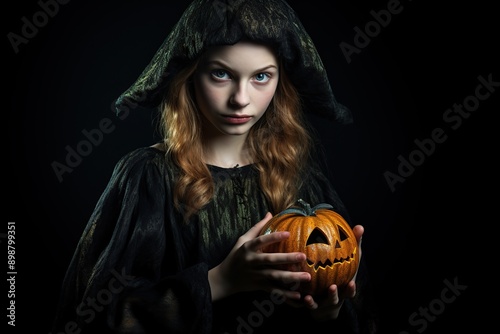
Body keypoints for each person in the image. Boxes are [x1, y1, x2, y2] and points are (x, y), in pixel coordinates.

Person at [51, 0, 378, 333]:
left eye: (261, 77)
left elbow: (361, 316)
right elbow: (92, 317)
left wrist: (328, 314)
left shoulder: (303, 183)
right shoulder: (148, 177)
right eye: (221, 73)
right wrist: (219, 281)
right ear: (191, 75)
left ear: (281, 82)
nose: (240, 98)